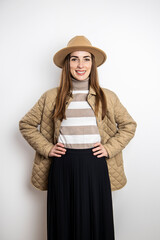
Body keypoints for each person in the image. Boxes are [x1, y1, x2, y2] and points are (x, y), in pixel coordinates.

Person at [19, 35, 137, 240]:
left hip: (96, 166)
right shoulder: (51, 96)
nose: (80, 64)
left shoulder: (107, 96)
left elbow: (129, 125)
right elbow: (26, 124)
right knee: (63, 224)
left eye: (86, 59)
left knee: (96, 223)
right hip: (63, 167)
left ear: (93, 64)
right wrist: (48, 148)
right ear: (67, 64)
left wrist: (109, 148)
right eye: (74, 59)